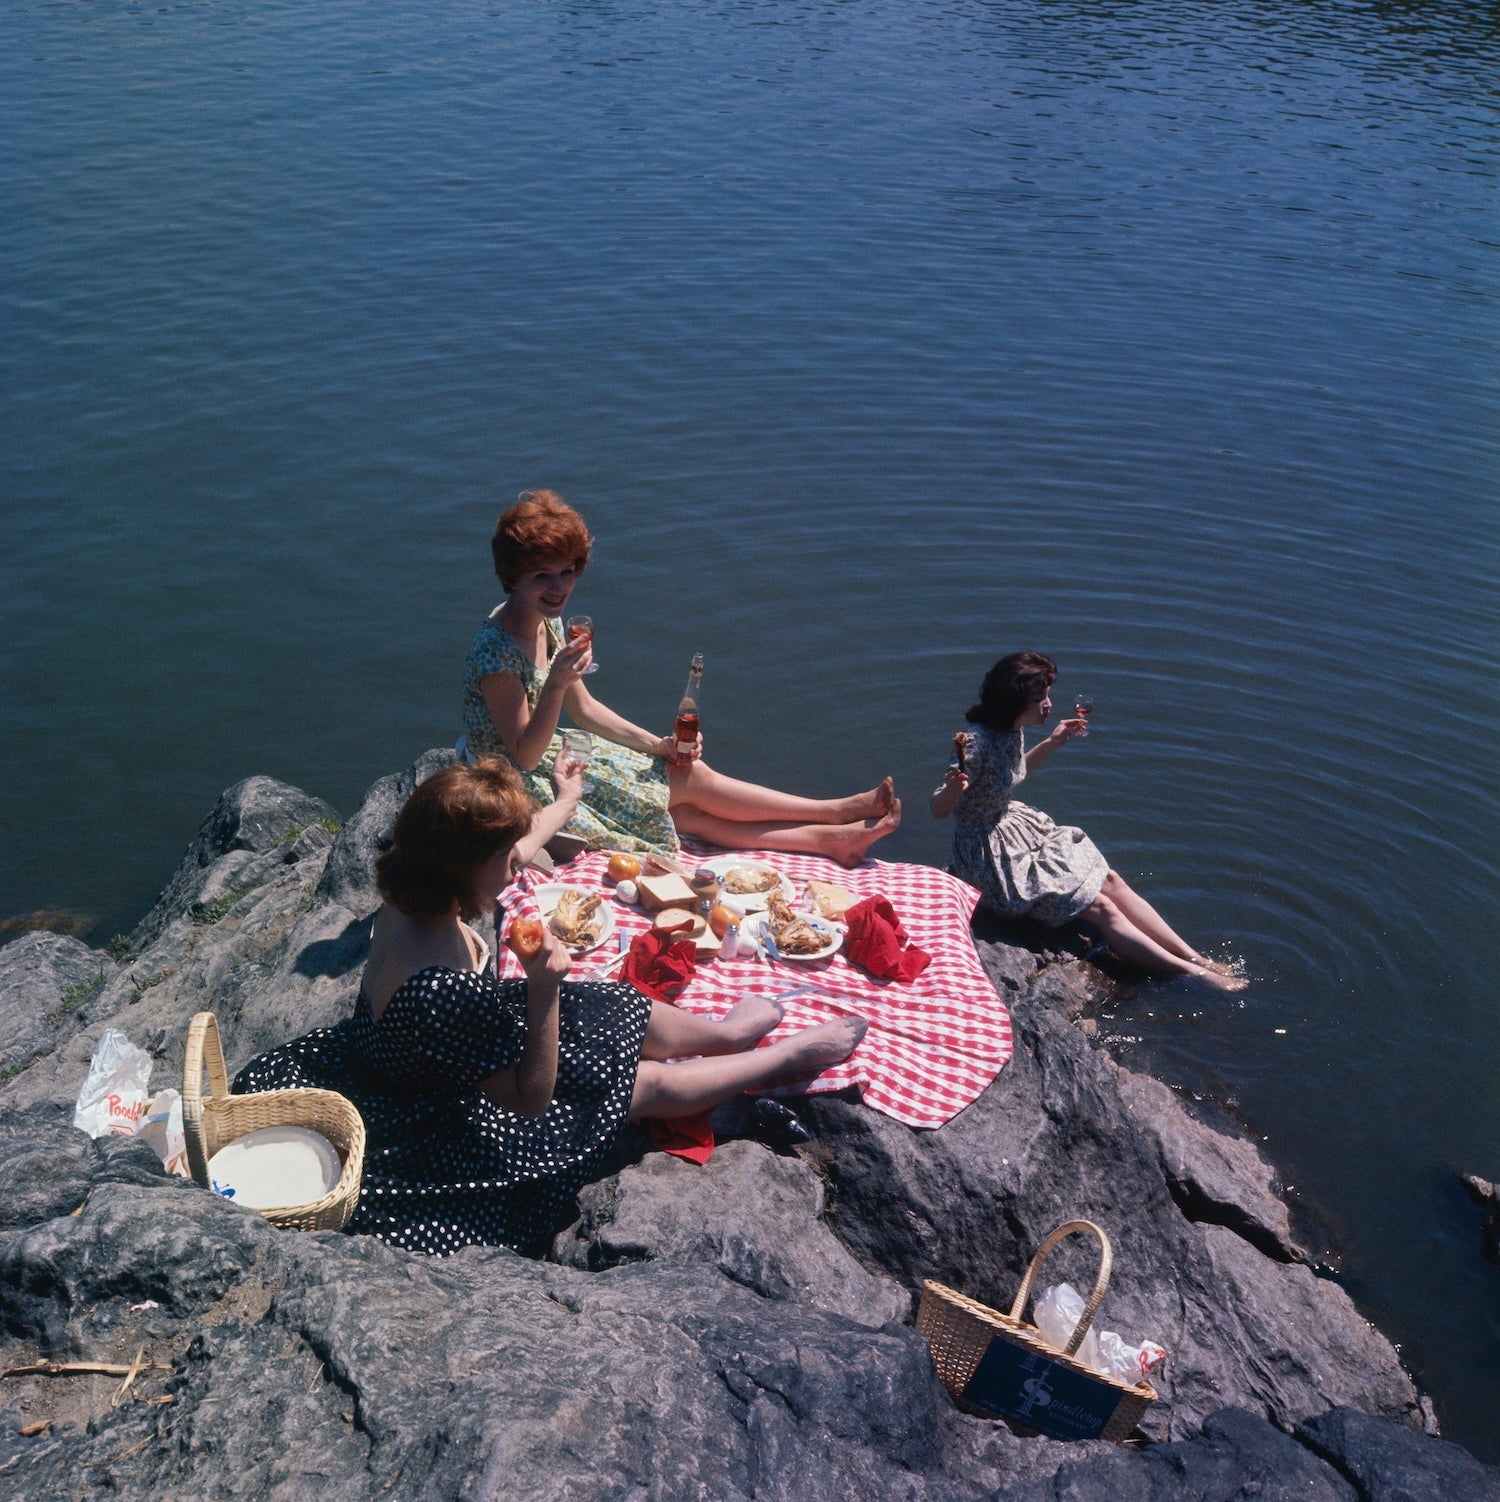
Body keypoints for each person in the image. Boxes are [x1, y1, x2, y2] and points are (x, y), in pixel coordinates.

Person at [233, 756, 867, 1255]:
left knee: (611, 1004)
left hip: (432, 1043)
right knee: (630, 1084)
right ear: (461, 869)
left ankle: (724, 1034)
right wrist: (542, 991)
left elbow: (507, 840)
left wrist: (565, 801)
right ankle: (787, 1055)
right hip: (437, 1111)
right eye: (506, 862)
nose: (520, 869)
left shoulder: (415, 892)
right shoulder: (439, 990)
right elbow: (527, 1099)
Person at [460, 489, 901, 866]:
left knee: (683, 810)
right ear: (512, 577)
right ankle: (835, 812)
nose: (559, 587)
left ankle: (832, 841)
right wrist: (555, 684)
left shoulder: (546, 621)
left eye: (567, 571)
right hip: (513, 781)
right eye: (542, 575)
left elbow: (586, 709)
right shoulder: (498, 654)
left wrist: (658, 745)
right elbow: (527, 755)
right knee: (689, 783)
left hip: (545, 754)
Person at [931, 651, 1247, 992]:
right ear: (1012, 700)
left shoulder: (1011, 729)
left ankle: (1194, 956)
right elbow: (937, 809)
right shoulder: (975, 744)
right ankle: (1194, 974)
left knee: (1109, 879)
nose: (1048, 705)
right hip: (988, 857)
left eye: (1047, 695)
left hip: (1013, 830)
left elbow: (1009, 777)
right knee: (1099, 906)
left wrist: (1052, 742)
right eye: (1039, 699)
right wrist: (952, 789)